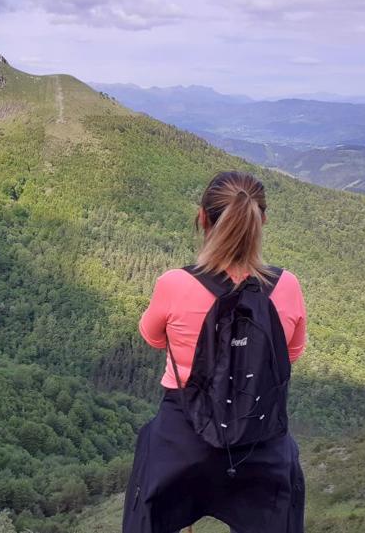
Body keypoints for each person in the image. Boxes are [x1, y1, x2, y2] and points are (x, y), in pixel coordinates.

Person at [123, 170, 308, 533]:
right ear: (262, 221)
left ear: (202, 218)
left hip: (183, 437)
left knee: (146, 503)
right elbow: (291, 354)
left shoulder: (174, 283)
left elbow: (152, 337)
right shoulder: (287, 285)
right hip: (262, 439)